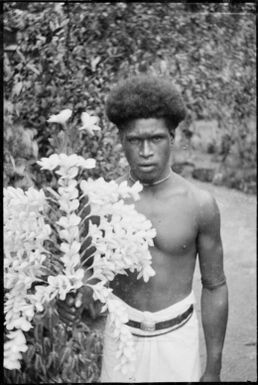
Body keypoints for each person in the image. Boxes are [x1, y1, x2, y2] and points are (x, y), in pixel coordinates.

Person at [57, 74, 228, 382]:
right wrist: (68, 299)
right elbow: (85, 276)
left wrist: (213, 367)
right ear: (121, 139)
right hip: (122, 340)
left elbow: (215, 286)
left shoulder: (199, 204)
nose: (146, 151)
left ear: (173, 137)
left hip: (178, 338)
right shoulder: (100, 203)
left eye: (156, 139)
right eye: (135, 140)